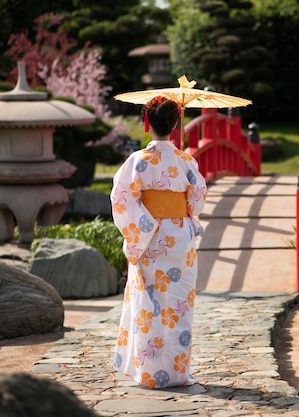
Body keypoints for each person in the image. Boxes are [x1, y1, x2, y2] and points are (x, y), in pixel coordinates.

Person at [110, 96, 207, 388]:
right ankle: (177, 372)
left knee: (149, 305)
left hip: (150, 237)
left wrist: (144, 227)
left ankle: (149, 372)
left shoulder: (138, 161)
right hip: (178, 238)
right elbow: (198, 198)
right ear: (176, 124)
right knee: (179, 304)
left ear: (147, 122)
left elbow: (121, 198)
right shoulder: (187, 161)